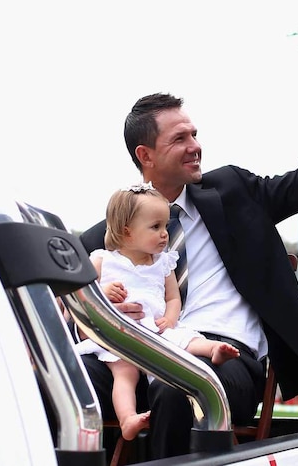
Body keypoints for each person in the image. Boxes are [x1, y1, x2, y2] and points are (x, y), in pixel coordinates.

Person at [78, 47, 298, 459]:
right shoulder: (109, 235)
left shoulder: (233, 191)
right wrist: (104, 314)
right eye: (180, 138)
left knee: (184, 388)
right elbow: (68, 309)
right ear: (146, 156)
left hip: (224, 357)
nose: (196, 146)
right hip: (136, 356)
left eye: (194, 134)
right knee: (60, 378)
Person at [75, 185, 240, 441]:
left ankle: (212, 350)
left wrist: (170, 318)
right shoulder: (103, 260)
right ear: (127, 232)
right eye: (156, 227)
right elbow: (82, 294)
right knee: (124, 373)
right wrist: (103, 291)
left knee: (186, 342)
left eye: (164, 226)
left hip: (156, 330)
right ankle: (128, 418)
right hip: (120, 335)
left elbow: (173, 297)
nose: (165, 234)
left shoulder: (163, 263)